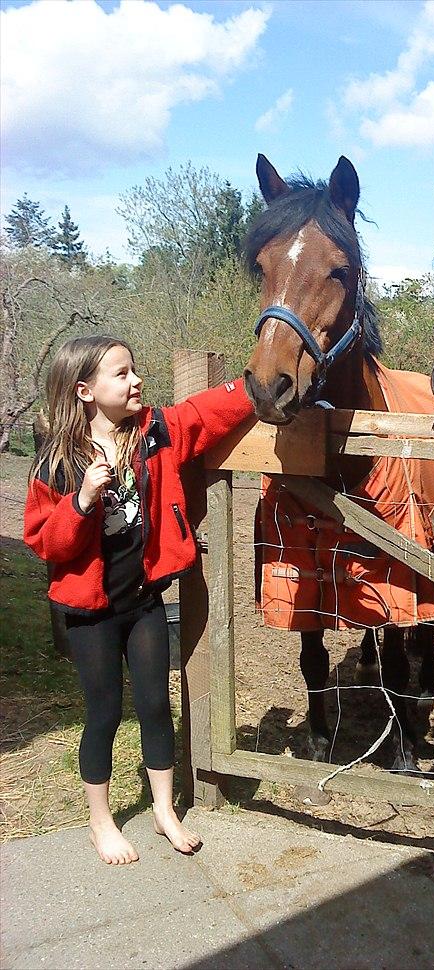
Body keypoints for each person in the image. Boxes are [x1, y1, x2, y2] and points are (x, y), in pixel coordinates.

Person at [24, 335, 254, 865]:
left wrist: (262, 384)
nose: (136, 381)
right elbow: (46, 544)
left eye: (135, 370)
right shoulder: (56, 462)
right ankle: (101, 821)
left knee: (155, 703)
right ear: (85, 390)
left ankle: (164, 811)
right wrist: (81, 501)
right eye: (121, 374)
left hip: (145, 602)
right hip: (89, 613)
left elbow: (208, 410)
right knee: (103, 712)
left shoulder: (154, 434)